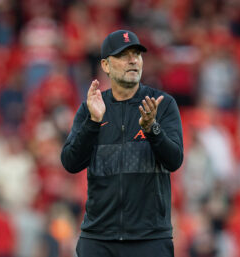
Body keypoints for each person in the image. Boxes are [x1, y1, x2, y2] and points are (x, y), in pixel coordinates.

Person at [61, 29, 184, 257]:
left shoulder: (162, 104)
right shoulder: (92, 107)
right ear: (106, 65)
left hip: (150, 239)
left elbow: (174, 160)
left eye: (137, 54)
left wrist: (152, 129)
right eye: (123, 55)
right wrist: (93, 122)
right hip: (98, 239)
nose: (133, 60)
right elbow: (70, 162)